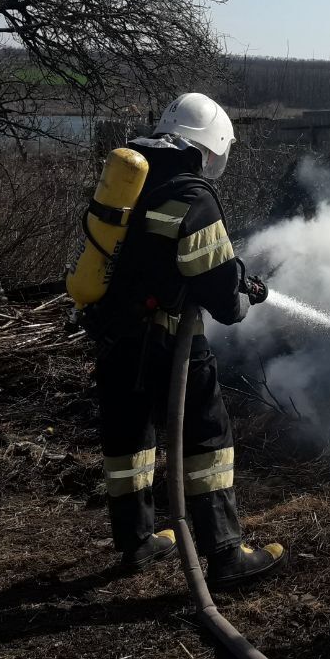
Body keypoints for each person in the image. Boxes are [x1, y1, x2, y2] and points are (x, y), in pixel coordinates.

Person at [91, 92, 284, 586]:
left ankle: (135, 542)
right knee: (208, 441)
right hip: (170, 343)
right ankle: (224, 554)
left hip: (113, 336)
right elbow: (222, 298)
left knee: (128, 439)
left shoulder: (130, 180)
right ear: (210, 146)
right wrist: (247, 296)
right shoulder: (192, 196)